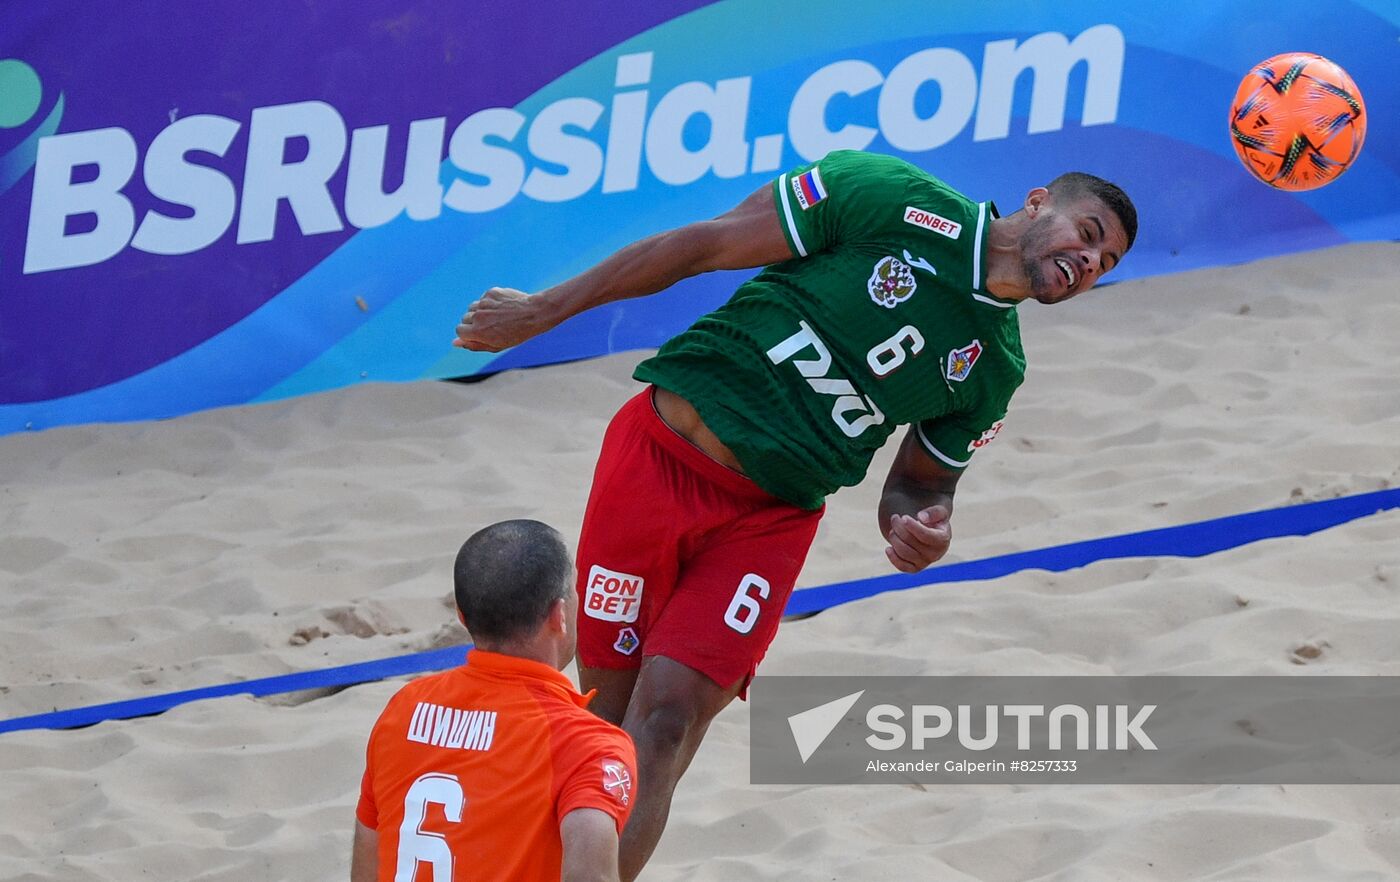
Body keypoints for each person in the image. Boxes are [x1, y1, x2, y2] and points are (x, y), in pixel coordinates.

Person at [453, 149, 1137, 879]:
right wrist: (543, 310)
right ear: (1038, 202)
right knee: (601, 724)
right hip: (657, 459)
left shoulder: (996, 368)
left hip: (768, 520)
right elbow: (704, 245)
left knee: (666, 723)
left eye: (1107, 261)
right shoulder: (889, 196)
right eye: (1088, 233)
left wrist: (924, 523)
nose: (1090, 260)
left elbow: (920, 482)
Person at [351, 520, 637, 882]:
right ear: (559, 615)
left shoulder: (403, 710)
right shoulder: (588, 745)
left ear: (462, 616)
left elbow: (367, 864)